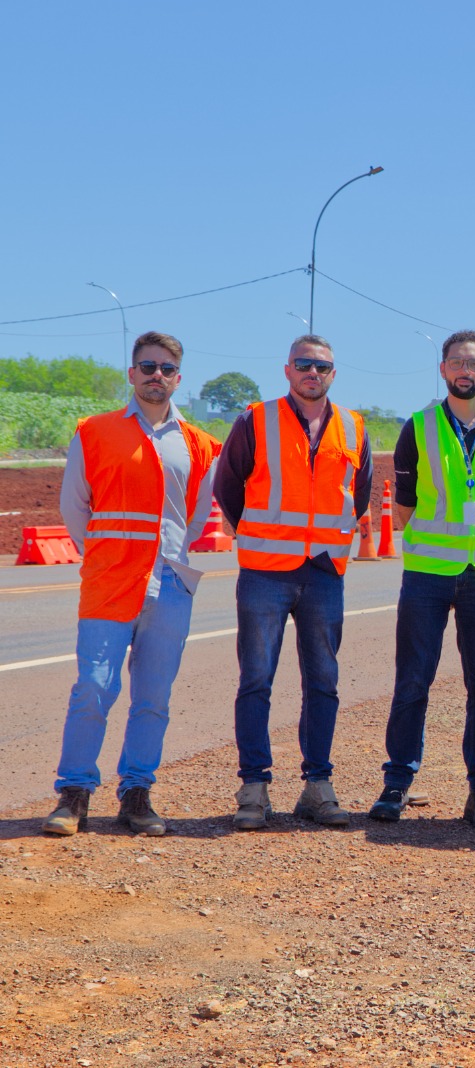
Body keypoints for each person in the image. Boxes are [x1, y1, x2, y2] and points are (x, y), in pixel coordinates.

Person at [40, 332, 221, 837]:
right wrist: (105, 552)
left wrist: (172, 560)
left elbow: (199, 513)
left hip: (170, 583)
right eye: (146, 366)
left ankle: (137, 794)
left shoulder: (199, 444)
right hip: (110, 580)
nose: (155, 375)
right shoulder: (94, 432)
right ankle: (73, 794)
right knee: (93, 688)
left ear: (178, 378)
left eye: (165, 368)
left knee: (153, 696)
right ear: (131, 373)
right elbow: (75, 508)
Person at [368, 330, 475, 833]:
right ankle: (396, 784)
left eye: (473, 362)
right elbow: (404, 508)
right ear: (442, 370)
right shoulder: (418, 426)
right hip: (428, 575)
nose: (464, 369)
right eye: (456, 361)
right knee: (413, 680)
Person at [215, 334, 372, 830]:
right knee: (256, 678)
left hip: (324, 571)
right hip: (265, 571)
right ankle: (254, 787)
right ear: (287, 370)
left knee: (323, 681)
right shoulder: (255, 420)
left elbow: (360, 495)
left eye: (323, 366)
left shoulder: (352, 426)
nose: (313, 373)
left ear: (333, 373)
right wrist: (265, 537)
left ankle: (317, 786)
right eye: (304, 364)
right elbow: (228, 487)